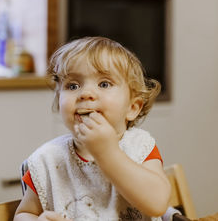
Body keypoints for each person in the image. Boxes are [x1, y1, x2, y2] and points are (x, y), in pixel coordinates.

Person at [14, 37, 171, 221]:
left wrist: (108, 152)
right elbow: (24, 214)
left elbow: (158, 203)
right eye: (73, 85)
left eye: (104, 84)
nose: (85, 94)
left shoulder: (139, 147)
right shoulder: (48, 159)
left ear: (132, 108)